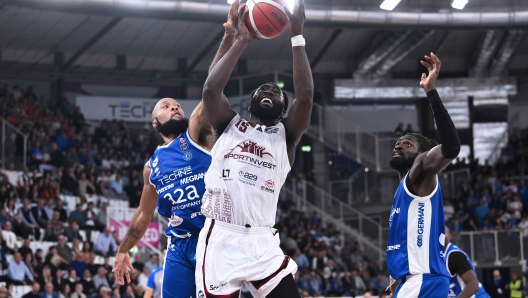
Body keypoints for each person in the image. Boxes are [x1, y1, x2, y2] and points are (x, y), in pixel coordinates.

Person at [112, 2, 239, 298]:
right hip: (179, 246)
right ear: (155, 121)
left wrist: (230, 36)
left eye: (177, 105)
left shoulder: (196, 134)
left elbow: (211, 87)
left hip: (214, 239)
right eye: (166, 107)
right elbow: (143, 215)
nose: (175, 108)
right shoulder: (152, 166)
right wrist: (122, 251)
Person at [196, 0, 312, 297]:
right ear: (250, 104)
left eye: (275, 92)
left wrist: (296, 37)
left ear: (284, 109)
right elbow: (211, 90)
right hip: (222, 236)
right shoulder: (228, 125)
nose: (269, 92)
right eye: (262, 90)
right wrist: (241, 40)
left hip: (262, 242)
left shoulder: (286, 136)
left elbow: (306, 96)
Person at [386, 53, 460, 298]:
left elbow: (451, 148)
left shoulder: (422, 167)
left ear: (422, 154)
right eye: (397, 143)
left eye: (406, 143)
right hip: (414, 281)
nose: (398, 146)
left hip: (422, 281)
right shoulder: (406, 188)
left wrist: (431, 92)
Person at [444, 225, 490, 298]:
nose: (440, 235)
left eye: (443, 232)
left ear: (449, 236)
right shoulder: (438, 256)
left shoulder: (455, 255)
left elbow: (474, 285)